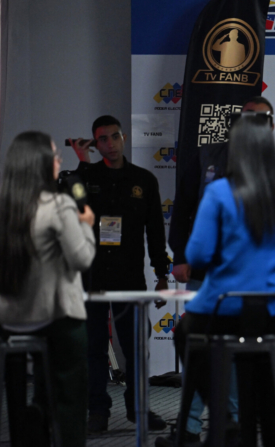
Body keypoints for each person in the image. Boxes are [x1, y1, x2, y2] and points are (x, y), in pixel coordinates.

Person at [172, 117, 275, 445]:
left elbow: (199, 255)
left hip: (227, 307)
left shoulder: (219, 192)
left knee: (184, 334)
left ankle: (224, 416)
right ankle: (262, 430)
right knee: (271, 392)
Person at [159, 97, 274, 447]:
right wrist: (178, 255)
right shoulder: (208, 155)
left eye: (263, 120)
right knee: (200, 351)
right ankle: (192, 427)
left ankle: (227, 426)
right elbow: (183, 207)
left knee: (236, 352)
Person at [0, 131, 96, 446]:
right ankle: (65, 432)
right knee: (72, 388)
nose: (59, 161)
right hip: (54, 317)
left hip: (6, 323)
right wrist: (86, 224)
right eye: (54, 156)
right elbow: (82, 259)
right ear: (39, 164)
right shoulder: (60, 205)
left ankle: (32, 421)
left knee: (35, 377)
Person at [69, 115, 169, 433]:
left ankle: (137, 409)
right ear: (95, 144)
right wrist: (82, 163)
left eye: (114, 137)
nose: (110, 144)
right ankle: (97, 410)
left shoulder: (143, 180)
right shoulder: (86, 175)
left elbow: (155, 232)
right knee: (94, 346)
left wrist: (162, 273)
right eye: (102, 139)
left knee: (136, 346)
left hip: (130, 278)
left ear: (124, 138)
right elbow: (73, 206)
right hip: (93, 276)